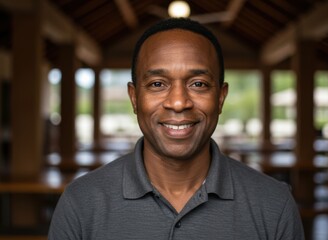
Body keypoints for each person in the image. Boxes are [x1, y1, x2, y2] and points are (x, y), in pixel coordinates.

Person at [48, 18, 304, 239]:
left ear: (221, 97)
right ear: (134, 98)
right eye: (158, 84)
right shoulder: (80, 203)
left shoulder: (274, 204)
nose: (179, 102)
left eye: (199, 84)